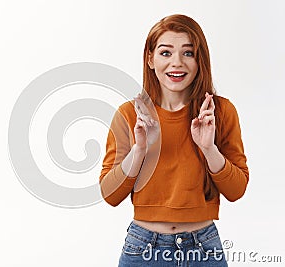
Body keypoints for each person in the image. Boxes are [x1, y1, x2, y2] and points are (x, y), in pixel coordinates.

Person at [99, 14, 249, 266]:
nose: (176, 63)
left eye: (188, 53)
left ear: (200, 60)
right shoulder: (129, 114)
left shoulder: (220, 112)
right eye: (166, 53)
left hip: (204, 249)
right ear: (150, 59)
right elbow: (109, 195)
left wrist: (208, 148)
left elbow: (237, 191)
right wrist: (139, 150)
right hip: (143, 249)